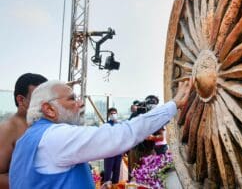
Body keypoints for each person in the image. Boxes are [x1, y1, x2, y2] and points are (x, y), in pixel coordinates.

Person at [9, 79, 192, 188]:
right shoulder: (54, 137)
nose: (80, 104)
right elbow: (119, 135)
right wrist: (173, 105)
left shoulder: (25, 140)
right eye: (72, 99)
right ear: (49, 109)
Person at [0, 73, 47, 188]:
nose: (46, 103)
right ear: (21, 100)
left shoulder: (46, 123)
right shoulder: (7, 129)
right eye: (40, 98)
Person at [103, 107, 122, 184]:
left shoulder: (120, 124)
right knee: (108, 172)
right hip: (109, 152)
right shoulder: (106, 125)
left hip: (118, 152)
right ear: (108, 115)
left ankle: (115, 186)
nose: (113, 115)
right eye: (112, 113)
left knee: (116, 172)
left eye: (115, 113)